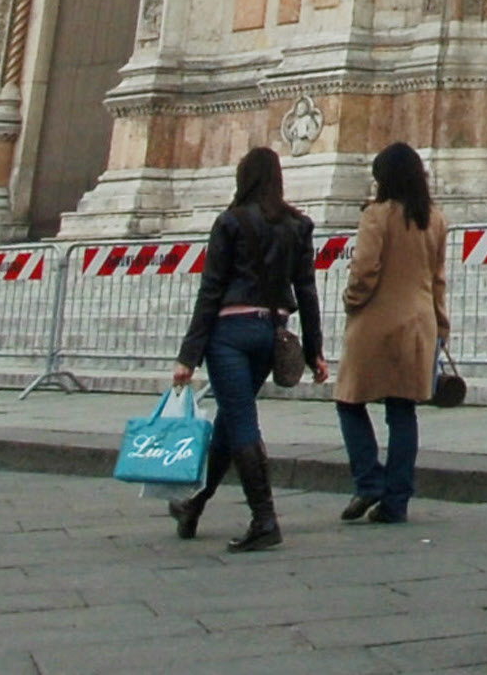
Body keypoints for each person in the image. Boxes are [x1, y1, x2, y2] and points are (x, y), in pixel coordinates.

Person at [168, 146, 325, 551]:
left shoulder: (230, 222)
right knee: (231, 419)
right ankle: (195, 504)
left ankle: (265, 518)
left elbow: (211, 291)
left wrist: (189, 355)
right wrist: (314, 350)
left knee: (241, 420)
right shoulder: (298, 225)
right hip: (271, 333)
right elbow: (306, 291)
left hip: (231, 335)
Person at [335, 141, 449, 525]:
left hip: (377, 322)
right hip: (420, 322)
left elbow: (365, 270)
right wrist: (441, 325)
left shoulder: (376, 216)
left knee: (349, 400)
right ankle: (396, 500)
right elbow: (438, 279)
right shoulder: (433, 217)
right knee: (403, 411)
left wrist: (352, 300)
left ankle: (368, 479)